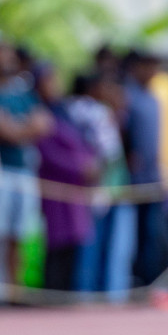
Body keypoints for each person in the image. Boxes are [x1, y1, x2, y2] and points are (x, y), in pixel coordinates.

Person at [0, 43, 52, 294]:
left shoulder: (23, 91)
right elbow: (3, 131)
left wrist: (17, 129)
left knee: (20, 234)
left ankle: (14, 290)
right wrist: (24, 129)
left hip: (24, 171)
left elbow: (43, 124)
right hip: (1, 171)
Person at [67, 73, 135, 302]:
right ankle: (93, 292)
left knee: (94, 243)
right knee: (95, 243)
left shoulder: (77, 110)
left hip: (99, 185)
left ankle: (88, 291)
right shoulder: (95, 112)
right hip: (101, 186)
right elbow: (110, 152)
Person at [34, 65, 97, 293]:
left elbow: (83, 143)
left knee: (73, 243)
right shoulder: (39, 114)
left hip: (75, 189)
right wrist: (80, 167)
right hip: (55, 187)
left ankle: (67, 293)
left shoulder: (65, 112)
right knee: (56, 244)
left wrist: (91, 163)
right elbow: (48, 153)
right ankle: (52, 292)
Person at [121, 51, 166, 286]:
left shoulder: (155, 98)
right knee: (132, 235)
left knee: (151, 235)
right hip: (133, 179)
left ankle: (148, 281)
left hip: (153, 177)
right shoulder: (127, 96)